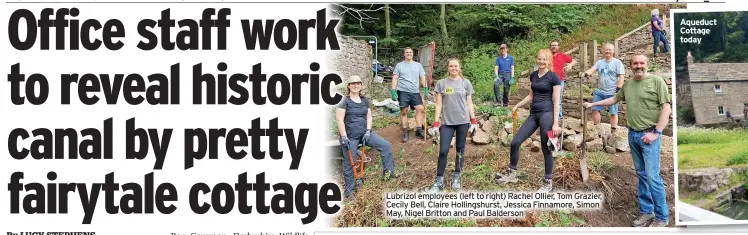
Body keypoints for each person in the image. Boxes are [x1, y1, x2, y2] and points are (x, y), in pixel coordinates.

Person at [583, 55, 671, 227]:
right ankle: (647, 212)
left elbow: (666, 108)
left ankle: (662, 217)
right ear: (630, 66)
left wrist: (656, 133)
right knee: (642, 175)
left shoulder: (657, 81)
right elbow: (614, 99)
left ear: (647, 64)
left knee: (653, 177)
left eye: (642, 63)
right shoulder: (628, 85)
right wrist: (593, 104)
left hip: (649, 136)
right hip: (633, 135)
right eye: (635, 63)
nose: (639, 66)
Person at [494, 49, 562, 193]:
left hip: (547, 114)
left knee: (546, 147)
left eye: (544, 59)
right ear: (536, 60)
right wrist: (517, 105)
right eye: (539, 59)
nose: (541, 62)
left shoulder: (553, 77)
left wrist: (556, 123)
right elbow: (531, 96)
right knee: (515, 142)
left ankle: (547, 182)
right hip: (534, 114)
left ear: (549, 61)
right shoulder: (533, 76)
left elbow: (556, 101)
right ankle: (512, 174)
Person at [337, 75, 397, 199]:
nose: (356, 85)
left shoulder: (364, 100)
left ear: (361, 85)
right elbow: (339, 119)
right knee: (350, 162)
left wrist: (368, 131)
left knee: (385, 145)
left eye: (358, 83)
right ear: (349, 86)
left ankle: (389, 173)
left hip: (364, 134)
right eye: (353, 83)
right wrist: (344, 137)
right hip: (350, 137)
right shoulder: (344, 101)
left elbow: (369, 116)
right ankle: (349, 191)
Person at [428, 58, 477, 192]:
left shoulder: (465, 83)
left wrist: (473, 120)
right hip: (447, 122)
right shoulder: (441, 84)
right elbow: (438, 105)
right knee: (443, 150)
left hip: (463, 121)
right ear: (448, 68)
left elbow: (469, 103)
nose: (453, 68)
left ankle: (457, 176)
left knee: (460, 150)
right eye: (451, 66)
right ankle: (439, 181)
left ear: (459, 68)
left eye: (456, 66)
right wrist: (436, 122)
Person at [582, 43, 625, 131]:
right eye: (606, 49)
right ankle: (597, 128)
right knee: (594, 109)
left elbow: (621, 77)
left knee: (613, 112)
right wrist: (586, 73)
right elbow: (592, 69)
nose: (608, 51)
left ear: (613, 51)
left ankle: (613, 129)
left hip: (612, 92)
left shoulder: (617, 63)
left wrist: (618, 89)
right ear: (603, 51)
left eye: (609, 49)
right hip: (600, 92)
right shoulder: (600, 62)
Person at [391, 47, 428, 142]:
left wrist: (425, 89)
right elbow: (395, 77)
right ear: (404, 54)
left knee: (420, 109)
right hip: (403, 91)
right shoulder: (399, 65)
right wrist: (393, 90)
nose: (408, 53)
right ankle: (405, 132)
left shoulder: (418, 65)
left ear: (412, 54)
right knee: (404, 111)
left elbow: (423, 77)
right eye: (406, 52)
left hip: (415, 91)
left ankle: (419, 130)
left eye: (410, 52)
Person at [550, 39, 577, 120]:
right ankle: (550, 116)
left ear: (558, 47)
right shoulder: (547, 55)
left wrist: (570, 65)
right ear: (550, 47)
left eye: (555, 45)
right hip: (548, 80)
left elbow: (574, 61)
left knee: (558, 99)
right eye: (552, 45)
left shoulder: (562, 55)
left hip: (559, 80)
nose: (554, 47)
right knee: (548, 98)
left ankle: (559, 117)